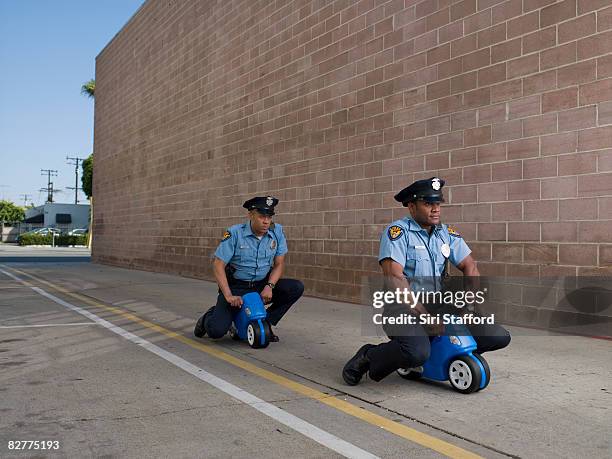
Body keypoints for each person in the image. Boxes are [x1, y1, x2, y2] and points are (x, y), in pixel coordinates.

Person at [342, 177, 511, 385]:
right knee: (415, 352)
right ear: (412, 207)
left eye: (438, 204)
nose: (435, 209)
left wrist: (469, 303)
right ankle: (369, 355)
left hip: (439, 304)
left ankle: (437, 356)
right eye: (428, 204)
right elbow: (395, 277)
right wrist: (425, 317)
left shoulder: (446, 233)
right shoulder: (397, 233)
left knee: (497, 336)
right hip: (402, 308)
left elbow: (470, 266)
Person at [194, 196, 304, 341]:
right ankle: (209, 317)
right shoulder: (235, 233)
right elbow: (218, 265)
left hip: (261, 285)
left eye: (269, 217)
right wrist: (228, 295)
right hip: (236, 287)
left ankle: (265, 323)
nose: (266, 221)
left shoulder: (277, 232)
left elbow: (279, 264)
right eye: (262, 216)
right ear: (250, 215)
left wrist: (269, 286)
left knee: (295, 287)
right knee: (217, 331)